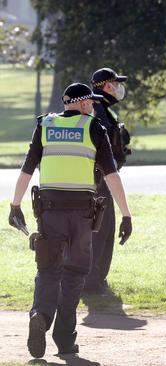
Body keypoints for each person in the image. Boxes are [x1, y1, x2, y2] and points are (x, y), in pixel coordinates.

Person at [8, 83, 133, 358]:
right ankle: (65, 340)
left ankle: (40, 314)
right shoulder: (93, 127)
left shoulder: (45, 126)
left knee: (48, 271)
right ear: (86, 103)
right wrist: (126, 214)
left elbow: (27, 168)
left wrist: (15, 205)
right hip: (82, 214)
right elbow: (111, 175)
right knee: (75, 274)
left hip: (49, 212)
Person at [83, 67, 132, 293]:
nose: (119, 87)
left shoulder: (102, 109)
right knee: (101, 230)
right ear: (106, 85)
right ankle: (93, 281)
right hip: (100, 179)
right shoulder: (99, 111)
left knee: (103, 229)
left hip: (99, 178)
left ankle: (95, 279)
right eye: (116, 83)